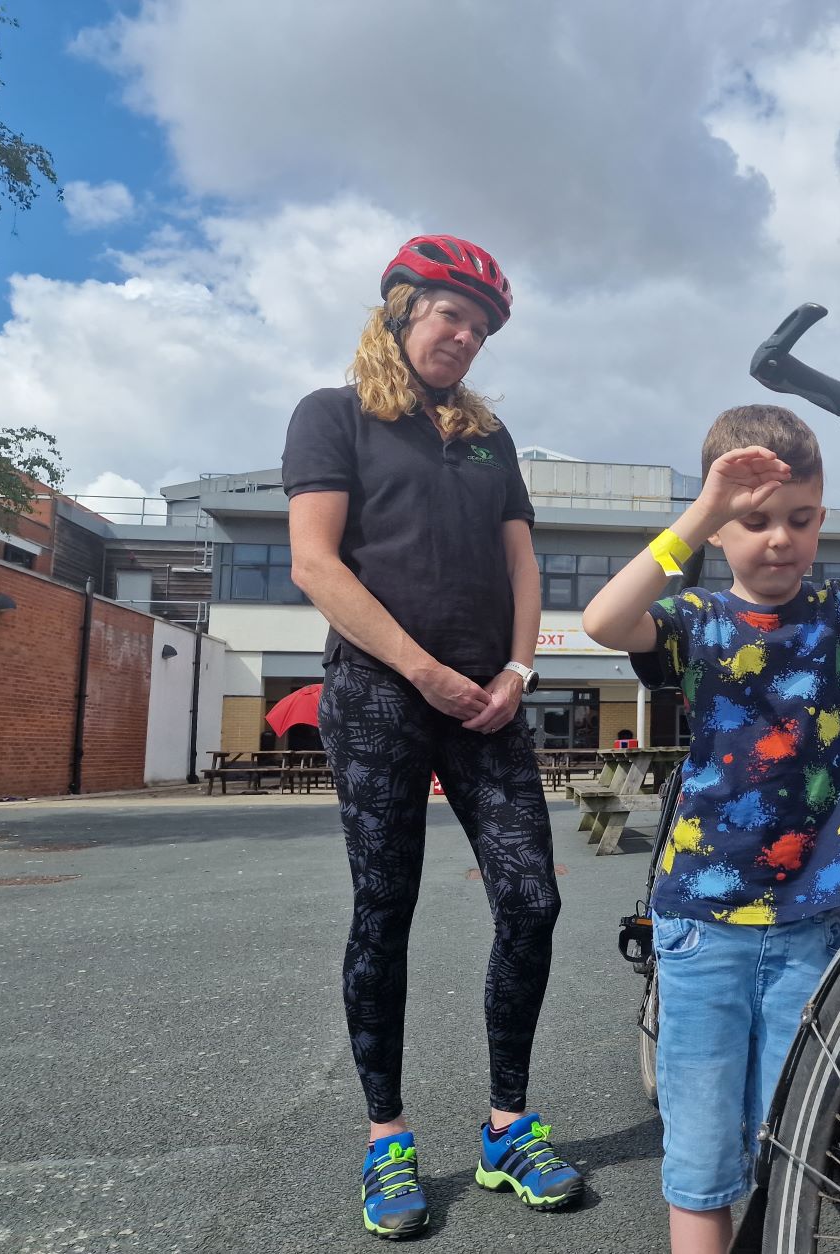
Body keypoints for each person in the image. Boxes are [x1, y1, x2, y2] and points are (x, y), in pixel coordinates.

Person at [582, 402, 840, 1253]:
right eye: (755, 520)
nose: (779, 538)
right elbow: (602, 621)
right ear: (722, 527)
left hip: (811, 926)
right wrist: (698, 516)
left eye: (801, 519)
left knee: (801, 1143)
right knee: (701, 1162)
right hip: (703, 927)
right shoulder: (697, 619)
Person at [283, 235, 582, 1239]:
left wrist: (516, 672)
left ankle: (506, 1126)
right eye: (451, 314)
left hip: (488, 703)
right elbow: (317, 566)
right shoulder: (335, 416)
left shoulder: (488, 439)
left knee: (531, 902)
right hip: (379, 695)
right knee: (386, 907)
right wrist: (423, 671)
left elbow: (525, 565)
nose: (465, 335)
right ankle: (387, 1139)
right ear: (401, 307)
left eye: (481, 326)